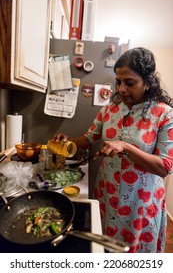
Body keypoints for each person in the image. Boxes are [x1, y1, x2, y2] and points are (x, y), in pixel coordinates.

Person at [54, 47, 173, 253]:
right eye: (118, 82)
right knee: (107, 248)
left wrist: (126, 147)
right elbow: (89, 138)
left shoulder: (164, 115)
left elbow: (164, 166)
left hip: (140, 201)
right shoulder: (110, 110)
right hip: (108, 193)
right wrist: (67, 140)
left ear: (147, 82)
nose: (121, 89)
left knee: (134, 254)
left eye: (129, 83)